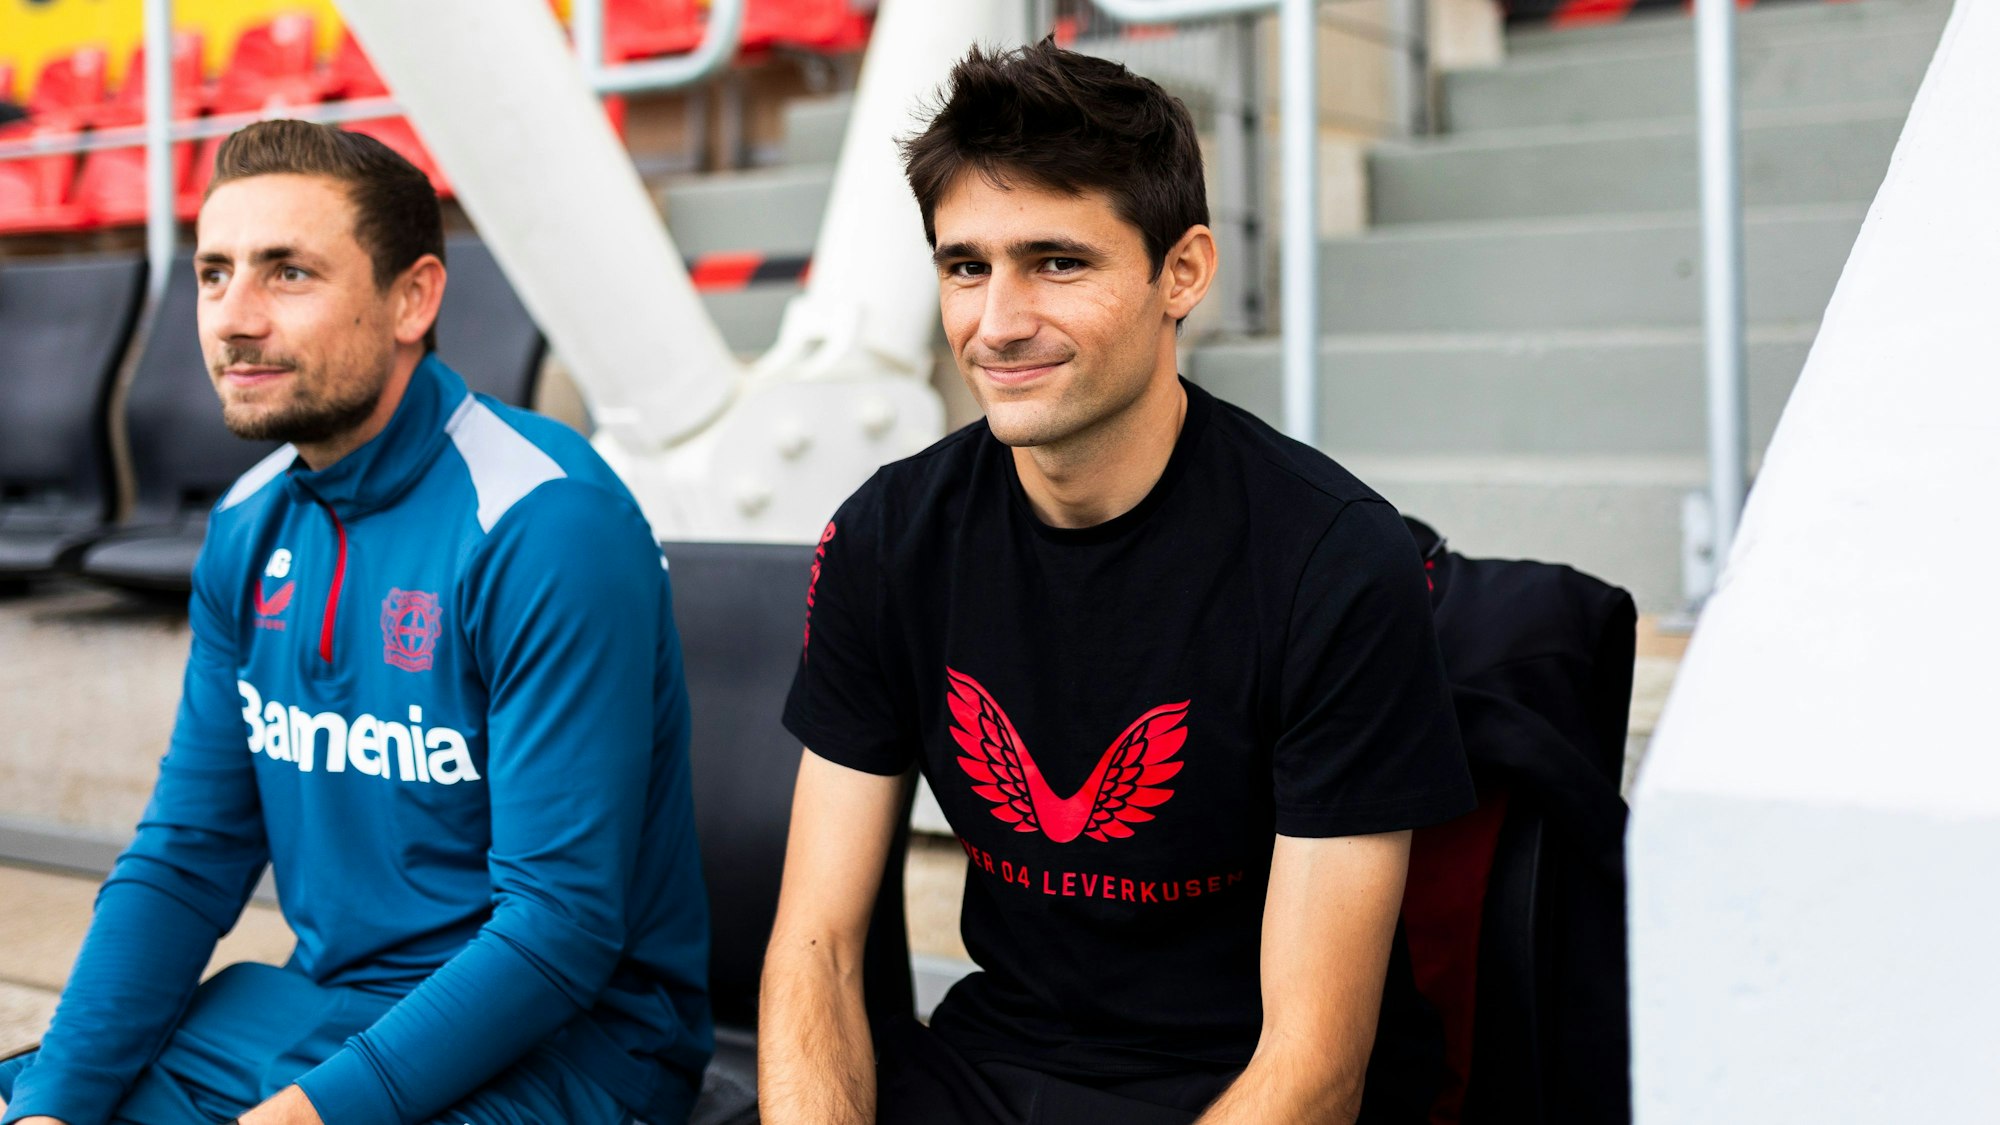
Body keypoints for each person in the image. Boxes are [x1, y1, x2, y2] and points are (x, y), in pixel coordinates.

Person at [757, 40, 1477, 1125]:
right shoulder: (886, 538)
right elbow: (814, 945)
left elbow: (1314, 1067)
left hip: (1236, 1087)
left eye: (1055, 262)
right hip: (991, 1069)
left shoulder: (1330, 562)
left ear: (1179, 271)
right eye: (965, 266)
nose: (995, 323)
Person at [0, 121, 711, 1125]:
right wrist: (57, 1104)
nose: (232, 319)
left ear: (412, 298)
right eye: (213, 274)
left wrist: (309, 1117)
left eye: (287, 273)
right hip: (319, 1012)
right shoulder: (248, 522)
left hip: (573, 1047)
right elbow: (188, 852)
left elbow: (558, 928)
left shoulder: (545, 521)